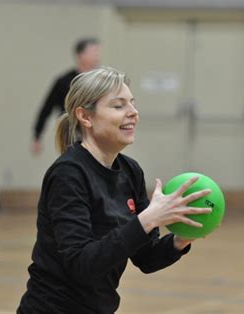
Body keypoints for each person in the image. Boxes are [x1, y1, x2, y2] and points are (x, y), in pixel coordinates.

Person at [18, 67, 212, 313]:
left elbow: (146, 257)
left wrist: (181, 239)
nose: (133, 112)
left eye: (132, 103)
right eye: (119, 106)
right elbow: (81, 264)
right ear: (85, 117)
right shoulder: (68, 174)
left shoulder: (130, 171)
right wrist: (147, 220)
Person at [31, 37, 101, 155]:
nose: (97, 57)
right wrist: (37, 135)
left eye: (97, 53)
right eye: (93, 52)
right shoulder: (64, 81)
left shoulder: (100, 81)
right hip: (71, 132)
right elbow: (47, 108)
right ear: (80, 55)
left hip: (95, 130)